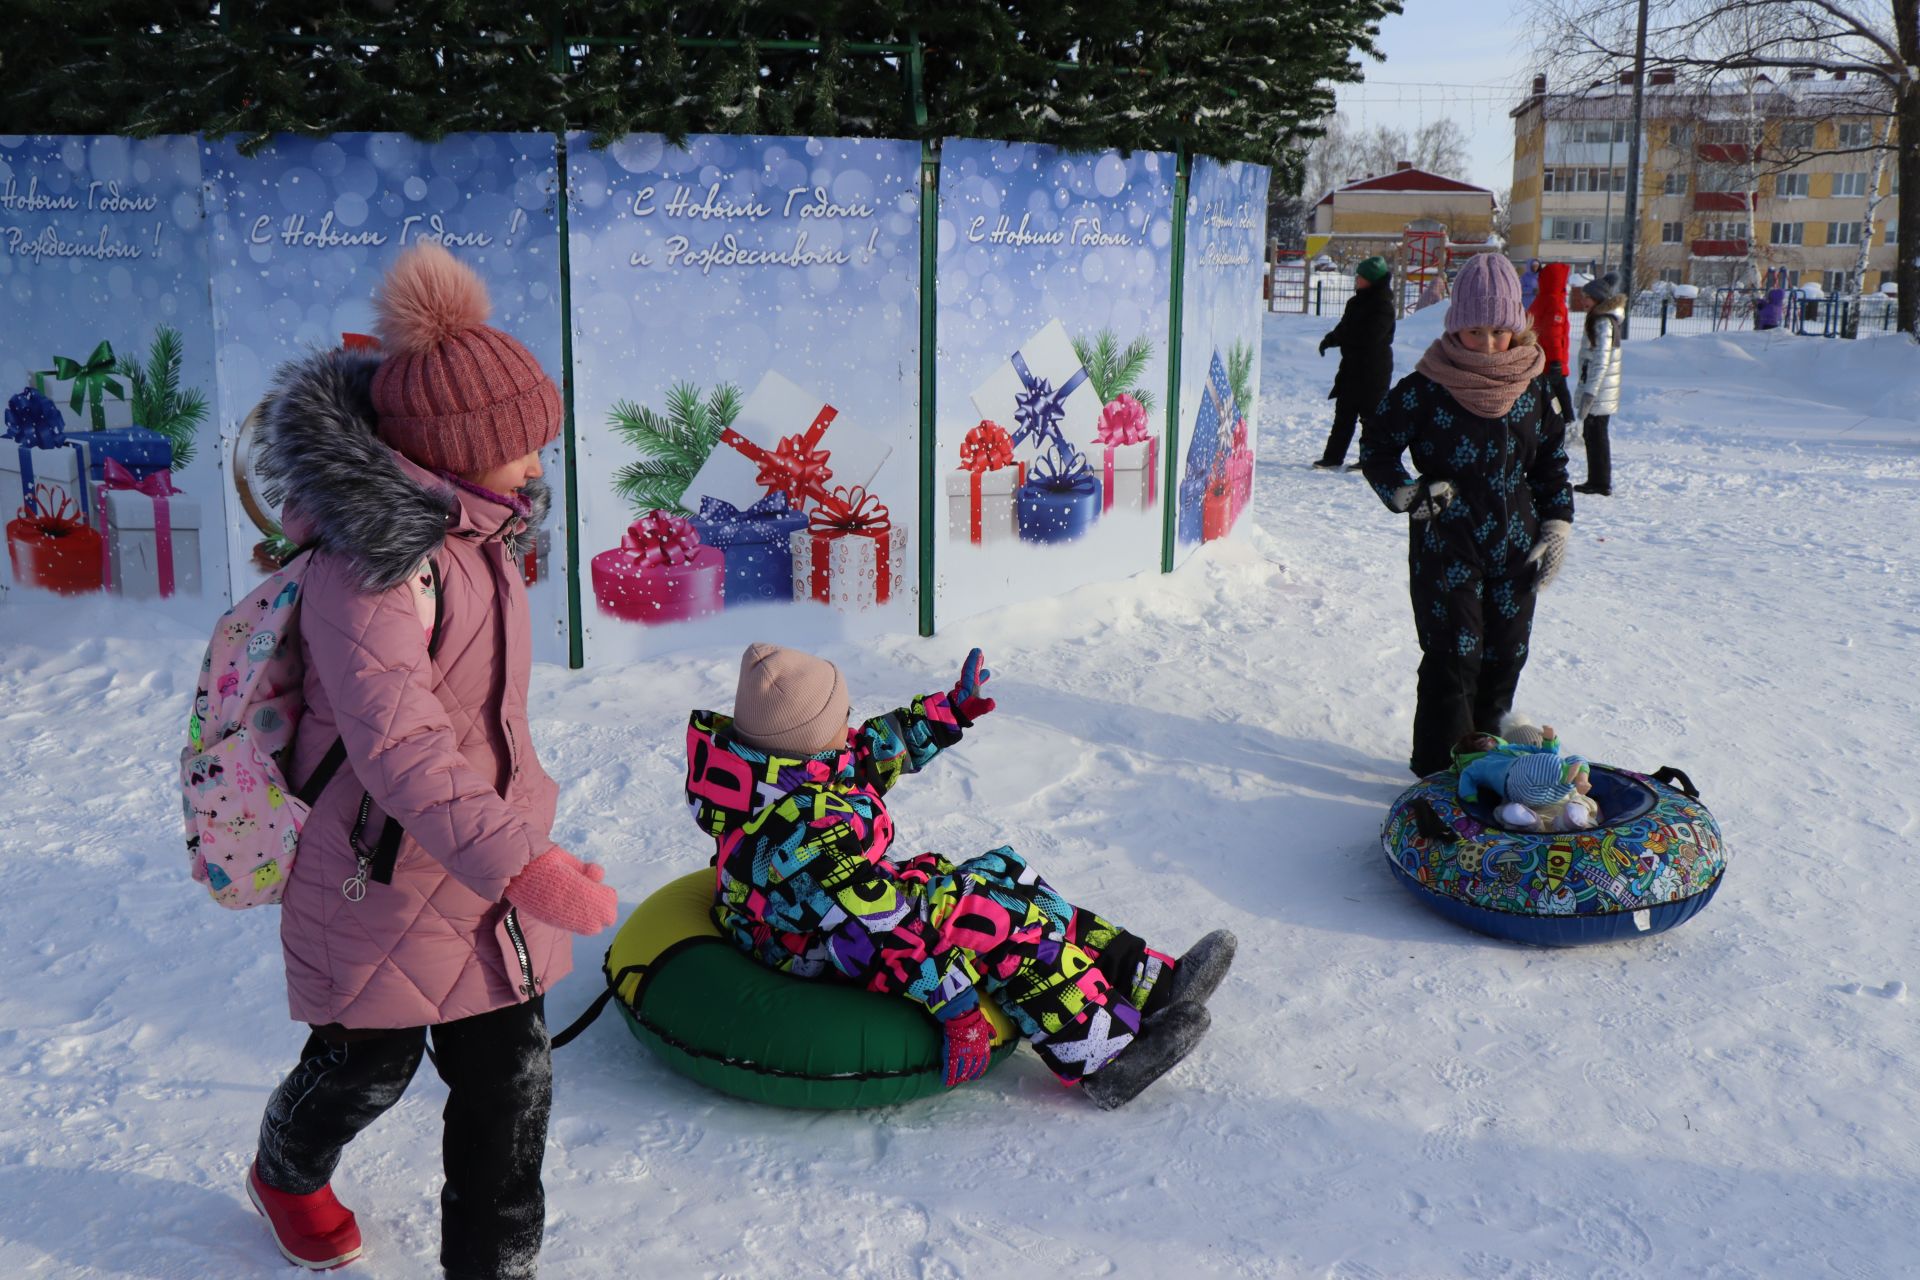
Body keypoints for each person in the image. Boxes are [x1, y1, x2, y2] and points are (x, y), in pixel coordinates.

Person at [243, 243, 618, 1277]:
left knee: (511, 1085)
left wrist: (515, 844)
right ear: (452, 450)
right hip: (377, 872)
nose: (542, 462)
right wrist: (526, 864)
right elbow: (399, 740)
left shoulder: (480, 532)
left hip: (483, 856)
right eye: (523, 444)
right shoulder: (371, 569)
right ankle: (286, 1167)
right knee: (368, 1065)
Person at [687, 643, 1235, 1110]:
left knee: (1005, 874)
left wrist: (951, 710)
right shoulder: (801, 834)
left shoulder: (775, 768)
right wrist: (954, 1006)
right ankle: (1103, 1054)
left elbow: (872, 751)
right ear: (808, 736)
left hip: (839, 900)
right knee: (988, 915)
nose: (850, 725)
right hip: (812, 943)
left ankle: (1146, 980)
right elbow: (878, 931)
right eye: (841, 717)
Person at [1358, 252, 1576, 778]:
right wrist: (1406, 493)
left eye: (1499, 331)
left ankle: (1492, 766)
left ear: (1516, 328)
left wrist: (1557, 525)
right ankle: (1441, 773)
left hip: (1518, 545)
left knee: (1506, 657)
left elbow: (1551, 462)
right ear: (1456, 328)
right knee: (1454, 660)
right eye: (1474, 331)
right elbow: (1377, 449)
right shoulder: (1426, 389)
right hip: (1446, 543)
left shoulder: (1535, 385)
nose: (1487, 344)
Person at [1314, 255, 1397, 469]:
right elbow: (1345, 328)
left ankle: (1368, 460)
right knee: (1344, 414)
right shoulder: (1355, 302)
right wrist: (1330, 340)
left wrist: (1347, 340)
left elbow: (1370, 337)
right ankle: (1332, 458)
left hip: (1373, 371)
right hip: (1351, 368)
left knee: (1370, 419)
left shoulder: (1383, 307)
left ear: (1371, 279)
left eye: (1360, 276)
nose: (1356, 279)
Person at [1574, 272, 1627, 496]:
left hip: (1599, 391)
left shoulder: (1603, 322)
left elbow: (1601, 361)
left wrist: (1590, 393)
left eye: (1587, 296)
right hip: (1599, 389)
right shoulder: (1601, 319)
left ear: (1597, 298)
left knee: (1596, 436)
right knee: (1593, 435)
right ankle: (1596, 479)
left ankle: (1600, 482)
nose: (1583, 301)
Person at [1527, 261, 1574, 423]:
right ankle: (1566, 424)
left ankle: (1548, 423)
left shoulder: (1540, 300)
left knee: (1546, 395)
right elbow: (1553, 334)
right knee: (1560, 395)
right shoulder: (1555, 303)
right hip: (1552, 361)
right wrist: (1556, 361)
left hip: (1539, 358)